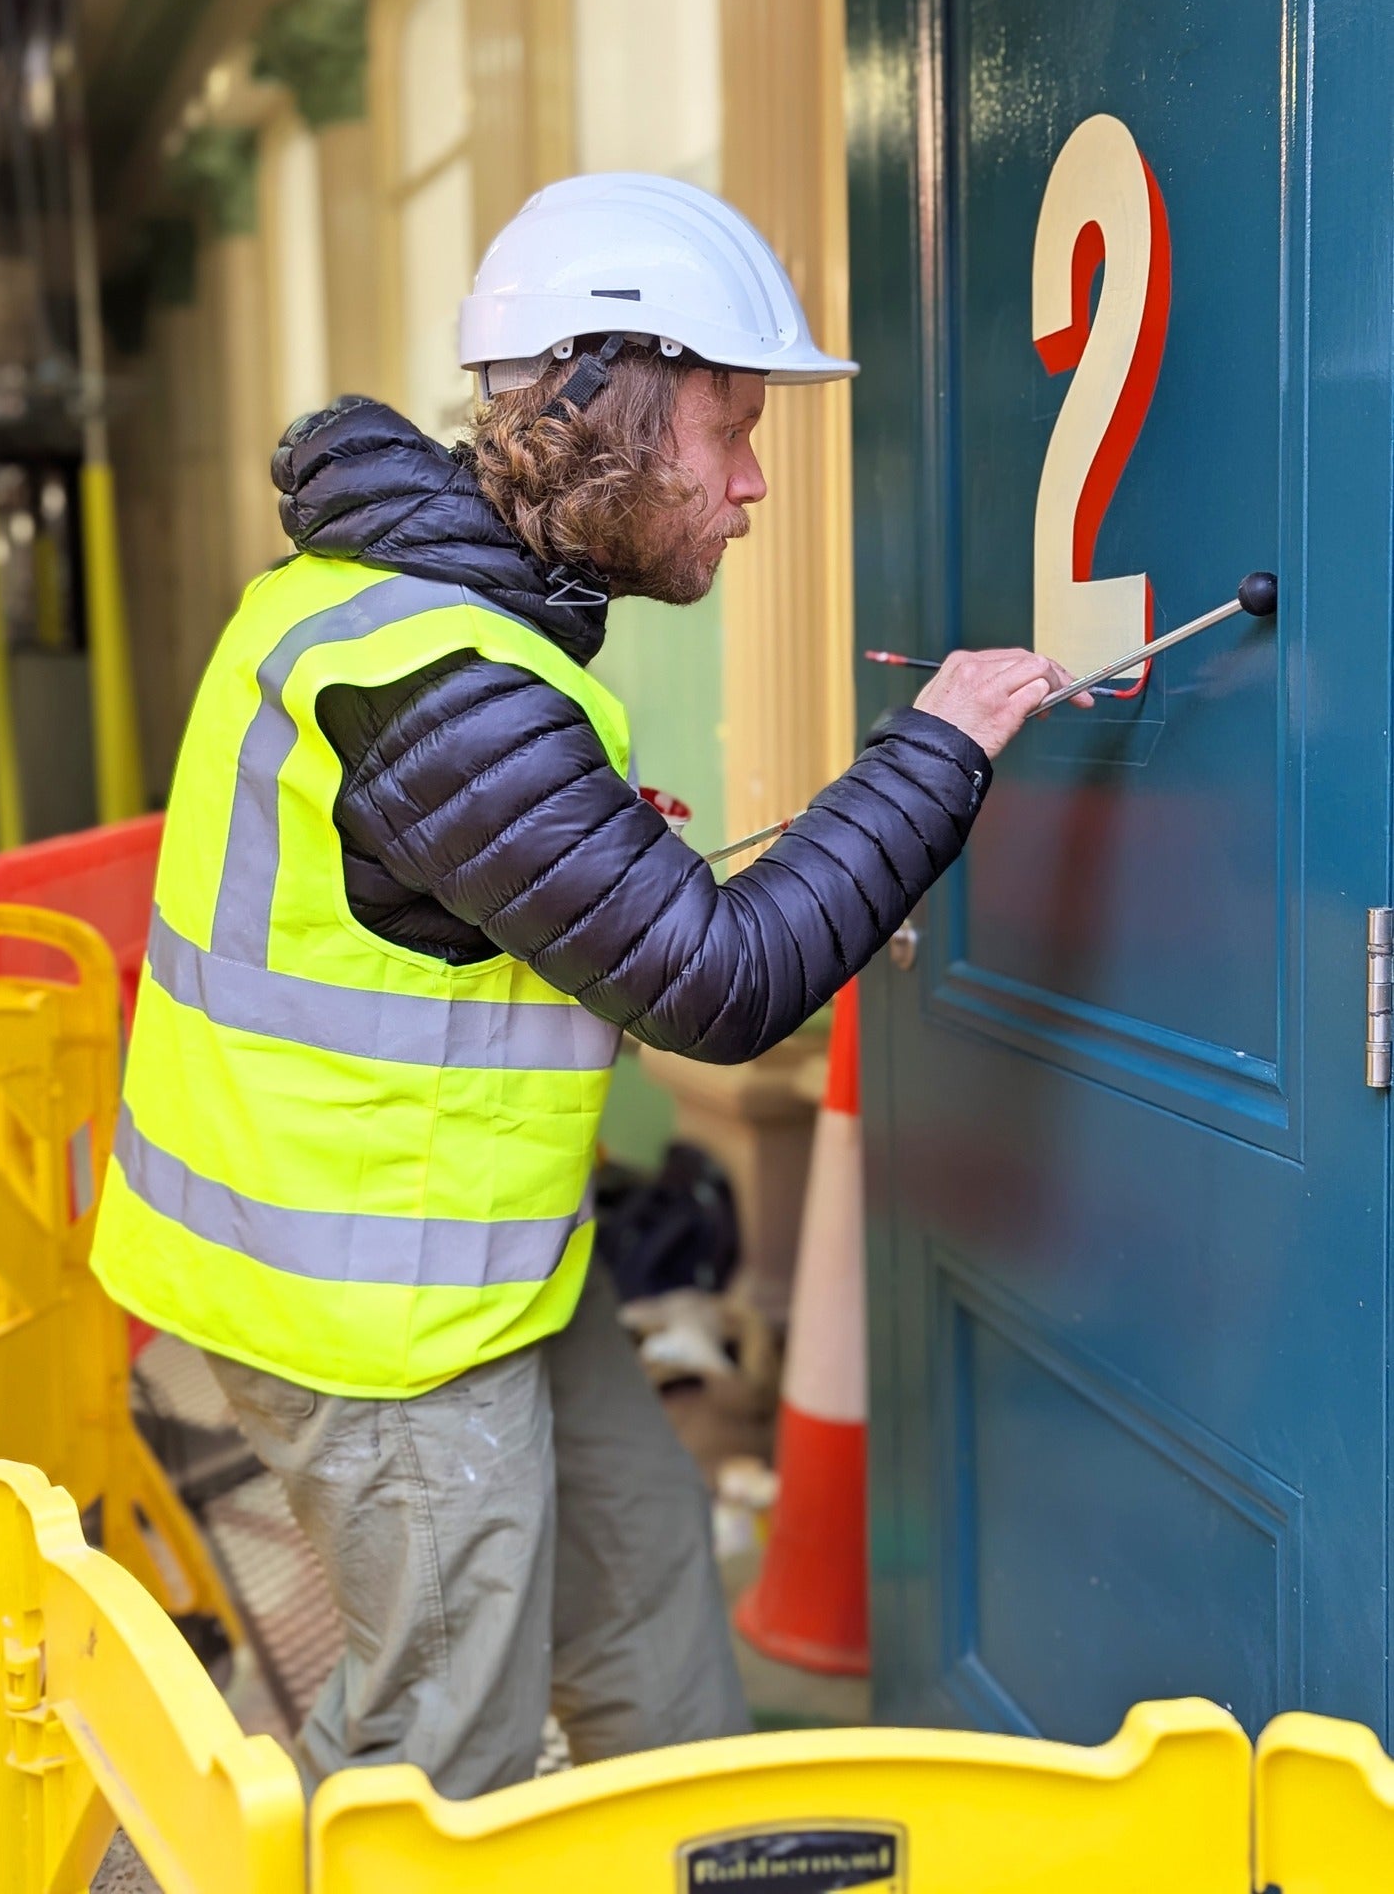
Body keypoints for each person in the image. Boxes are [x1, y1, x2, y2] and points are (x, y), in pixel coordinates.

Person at [90, 172, 1087, 1797]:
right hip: (369, 1318)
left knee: (651, 1643)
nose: (754, 484)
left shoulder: (428, 620)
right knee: (441, 1766)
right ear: (600, 406)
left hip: (477, 1267)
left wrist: (698, 876)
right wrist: (939, 746)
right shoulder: (437, 676)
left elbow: (543, 924)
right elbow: (710, 987)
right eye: (731, 432)